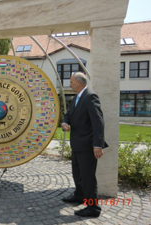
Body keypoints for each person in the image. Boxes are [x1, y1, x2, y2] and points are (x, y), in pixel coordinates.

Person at [62, 72, 108, 217]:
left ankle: (93, 208)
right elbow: (69, 114)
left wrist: (98, 145)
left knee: (88, 177)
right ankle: (80, 195)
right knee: (78, 173)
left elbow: (98, 122)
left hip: (87, 146)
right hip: (77, 144)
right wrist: (65, 122)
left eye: (71, 82)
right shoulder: (77, 97)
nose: (69, 84)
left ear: (79, 82)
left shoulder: (90, 96)